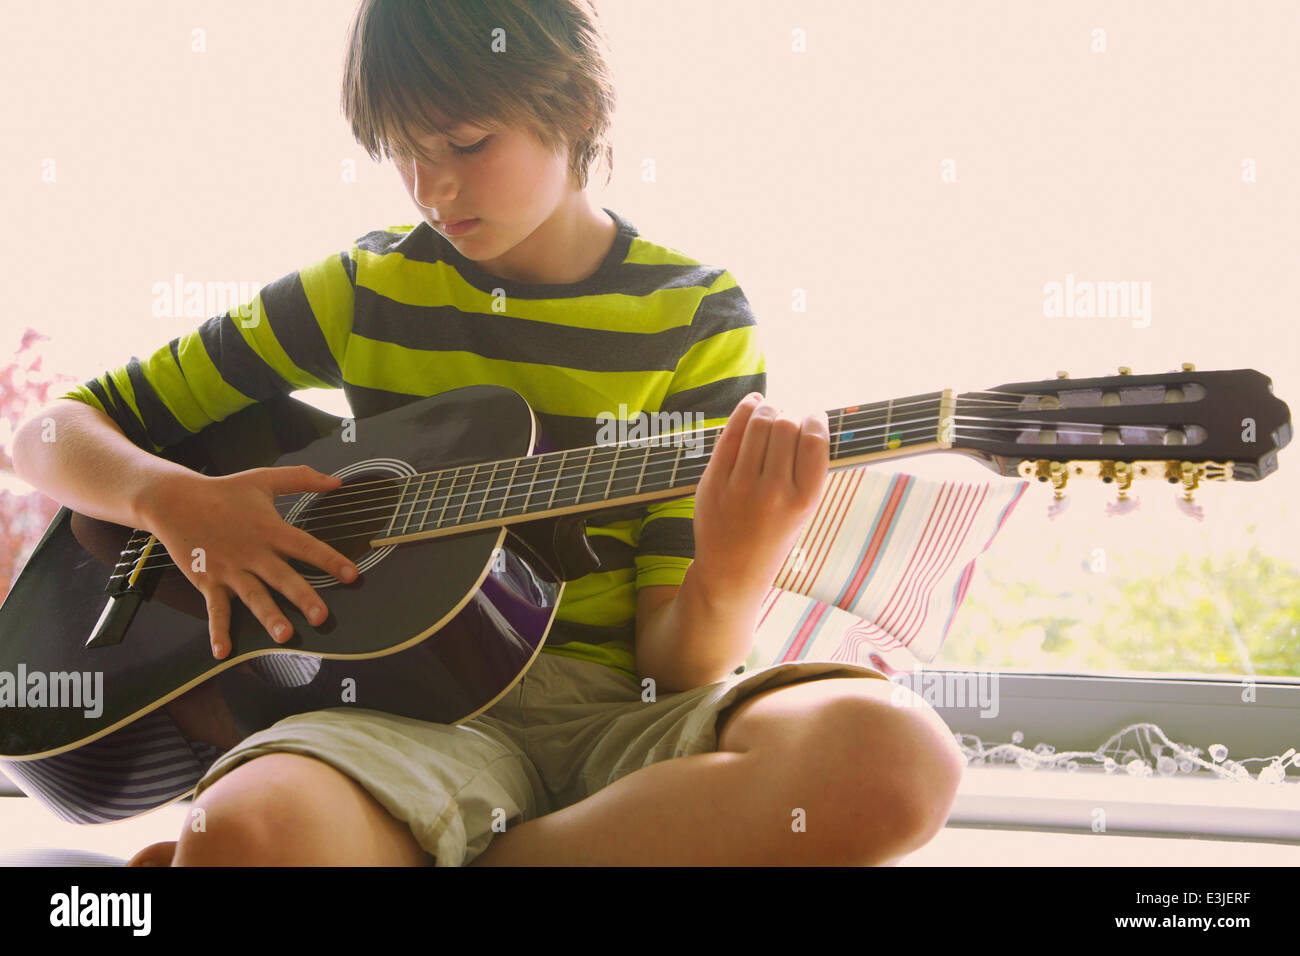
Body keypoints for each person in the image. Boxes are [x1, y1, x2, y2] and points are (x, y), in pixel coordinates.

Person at [12, 0, 964, 866]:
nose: (430, 189)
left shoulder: (695, 315)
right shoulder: (361, 290)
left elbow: (678, 666)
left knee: (895, 759)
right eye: (402, 151)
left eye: (468, 143)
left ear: (576, 107)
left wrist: (738, 563)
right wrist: (165, 497)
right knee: (243, 834)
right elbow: (47, 434)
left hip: (619, 726)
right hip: (393, 725)